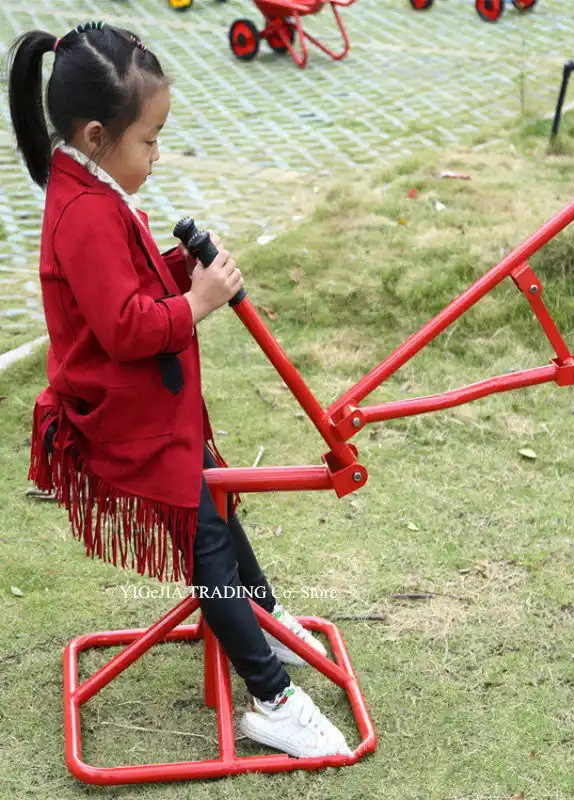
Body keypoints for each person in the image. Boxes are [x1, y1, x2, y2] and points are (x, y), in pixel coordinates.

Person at [8, 21, 350, 759]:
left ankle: (263, 615)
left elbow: (122, 291)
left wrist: (178, 269)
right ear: (97, 135)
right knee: (207, 549)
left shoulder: (91, 187)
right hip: (125, 423)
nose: (157, 157)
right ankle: (271, 698)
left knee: (219, 514)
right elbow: (126, 327)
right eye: (150, 141)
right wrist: (195, 303)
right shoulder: (84, 212)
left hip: (151, 409)